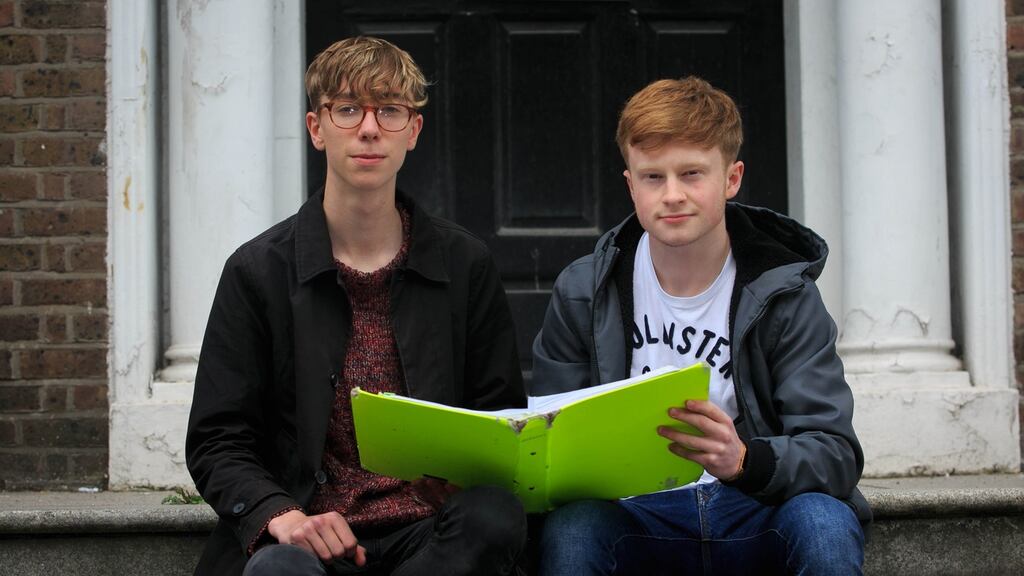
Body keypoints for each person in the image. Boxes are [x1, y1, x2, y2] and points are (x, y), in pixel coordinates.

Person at [186, 36, 527, 576]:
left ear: (413, 131)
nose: (369, 129)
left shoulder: (464, 264)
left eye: (390, 111)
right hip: (313, 540)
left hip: (430, 540)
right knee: (278, 570)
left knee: (495, 517)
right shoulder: (258, 272)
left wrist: (462, 477)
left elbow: (499, 414)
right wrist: (284, 516)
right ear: (316, 127)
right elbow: (218, 439)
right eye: (347, 109)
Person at [531, 77, 870, 575]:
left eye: (692, 173)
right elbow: (551, 442)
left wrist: (743, 460)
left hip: (755, 507)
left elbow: (835, 452)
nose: (672, 195)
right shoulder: (584, 289)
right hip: (636, 512)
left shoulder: (786, 294)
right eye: (653, 177)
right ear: (630, 185)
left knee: (823, 521)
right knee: (574, 529)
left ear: (731, 179)